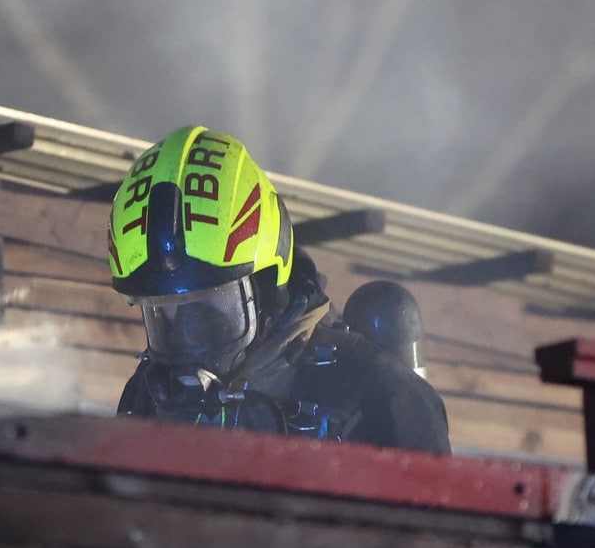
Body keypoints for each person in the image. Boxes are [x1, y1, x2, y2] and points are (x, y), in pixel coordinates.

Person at [108, 125, 450, 454]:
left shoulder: (377, 396)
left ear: (268, 286)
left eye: (209, 309)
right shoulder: (150, 395)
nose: (188, 340)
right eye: (162, 315)